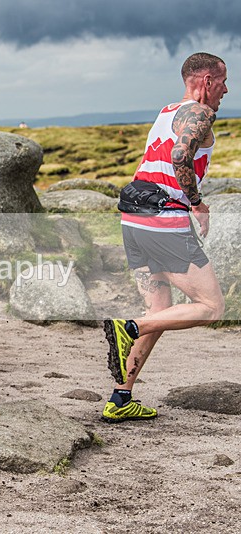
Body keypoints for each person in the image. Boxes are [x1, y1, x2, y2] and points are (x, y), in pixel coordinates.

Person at [102, 52, 228, 423]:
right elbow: (180, 154)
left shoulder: (166, 111)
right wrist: (197, 203)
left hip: (134, 219)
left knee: (159, 314)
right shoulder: (200, 113)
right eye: (223, 81)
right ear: (207, 81)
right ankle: (128, 327)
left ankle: (120, 398)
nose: (226, 90)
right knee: (211, 307)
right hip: (163, 220)